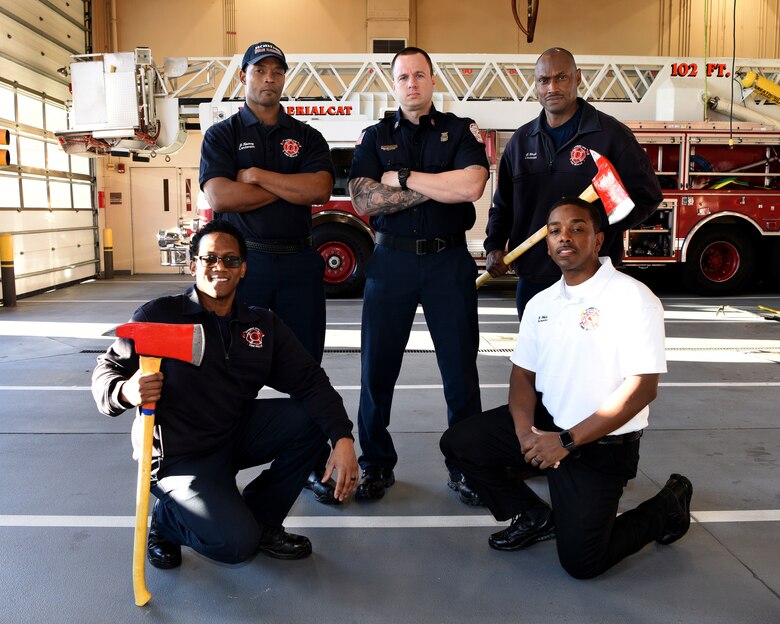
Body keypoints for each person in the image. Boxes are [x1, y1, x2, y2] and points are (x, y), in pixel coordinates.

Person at [441, 197, 693, 579]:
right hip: (550, 425)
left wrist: (567, 442)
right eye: (555, 230)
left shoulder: (633, 298)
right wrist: (526, 433)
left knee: (582, 563)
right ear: (547, 244)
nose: (565, 237)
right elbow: (523, 375)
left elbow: (642, 389)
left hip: (601, 443)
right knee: (460, 442)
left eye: (578, 228)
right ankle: (535, 516)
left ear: (598, 240)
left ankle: (668, 503)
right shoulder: (542, 303)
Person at [92, 220, 358, 569]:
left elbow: (309, 380)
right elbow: (106, 371)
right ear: (192, 264)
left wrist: (342, 437)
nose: (220, 267)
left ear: (243, 269)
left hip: (234, 436)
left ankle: (263, 521)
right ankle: (168, 521)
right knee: (235, 546)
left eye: (231, 260)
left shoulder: (260, 325)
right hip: (179, 457)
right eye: (209, 258)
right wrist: (126, 390)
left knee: (311, 419)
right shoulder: (159, 317)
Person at [348, 47, 489, 504]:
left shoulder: (458, 130)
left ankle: (466, 467)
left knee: (460, 372)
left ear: (432, 81)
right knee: (376, 371)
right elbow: (366, 202)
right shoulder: (373, 137)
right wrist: (438, 185)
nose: (412, 83)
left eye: (419, 75)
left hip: (448, 263)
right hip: (391, 264)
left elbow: (470, 186)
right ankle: (374, 465)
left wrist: (404, 177)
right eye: (403, 76)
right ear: (394, 84)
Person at [199, 41, 337, 504]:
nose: (270, 78)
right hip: (246, 267)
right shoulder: (221, 135)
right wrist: (288, 188)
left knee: (306, 367)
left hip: (298, 263)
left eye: (277, 71)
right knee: (232, 367)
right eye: (260, 71)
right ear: (244, 78)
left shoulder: (306, 134)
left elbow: (319, 188)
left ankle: (309, 463)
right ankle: (218, 467)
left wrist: (256, 176)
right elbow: (221, 198)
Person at [484, 47, 663, 320]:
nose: (552, 87)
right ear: (536, 85)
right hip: (535, 278)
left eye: (561, 78)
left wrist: (593, 225)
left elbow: (647, 195)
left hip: (592, 280)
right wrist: (494, 246)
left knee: (590, 360)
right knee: (537, 359)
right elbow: (503, 205)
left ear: (578, 78)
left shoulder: (610, 136)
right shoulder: (521, 142)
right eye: (544, 80)